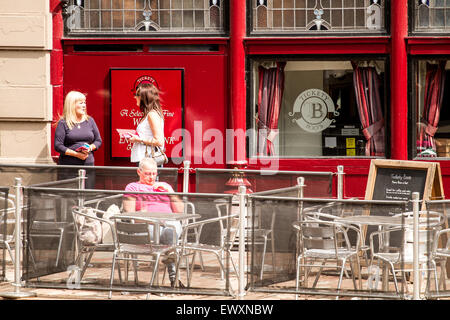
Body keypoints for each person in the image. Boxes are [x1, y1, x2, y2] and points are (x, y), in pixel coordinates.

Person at [123, 157, 184, 287]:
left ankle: (166, 271)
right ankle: (174, 277)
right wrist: (144, 213)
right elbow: (130, 215)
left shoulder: (165, 186)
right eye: (147, 174)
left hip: (168, 224)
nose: (151, 177)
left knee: (170, 229)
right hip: (146, 226)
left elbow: (180, 212)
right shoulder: (133, 187)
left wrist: (171, 193)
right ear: (139, 172)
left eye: (154, 174)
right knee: (169, 236)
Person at [54, 91, 102, 189]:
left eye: (84, 102)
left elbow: (98, 141)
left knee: (87, 196)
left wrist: (89, 148)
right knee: (70, 197)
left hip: (88, 166)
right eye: (81, 103)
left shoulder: (90, 121)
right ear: (72, 105)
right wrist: (76, 154)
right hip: (69, 167)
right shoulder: (63, 123)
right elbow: (58, 145)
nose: (84, 105)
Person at [127, 83, 165, 166]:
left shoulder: (152, 114)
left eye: (137, 95)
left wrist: (138, 140)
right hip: (145, 160)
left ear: (144, 97)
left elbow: (159, 141)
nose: (135, 97)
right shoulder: (148, 114)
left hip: (150, 162)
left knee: (150, 179)